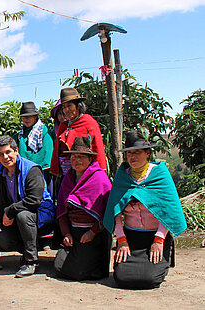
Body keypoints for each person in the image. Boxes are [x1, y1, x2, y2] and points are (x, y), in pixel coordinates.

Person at [104, 131, 187, 289]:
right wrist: (121, 239)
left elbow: (168, 210)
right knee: (121, 277)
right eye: (129, 153)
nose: (132, 157)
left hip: (155, 237)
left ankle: (163, 261)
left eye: (137, 152)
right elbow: (116, 211)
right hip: (130, 238)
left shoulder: (160, 175)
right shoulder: (123, 176)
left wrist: (159, 239)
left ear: (148, 153)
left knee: (150, 279)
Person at [0, 135, 55, 277]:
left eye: (8, 152)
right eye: (1, 154)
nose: (5, 157)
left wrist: (10, 211)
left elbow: (34, 200)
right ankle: (27, 250)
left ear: (16, 151)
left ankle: (31, 261)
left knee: (23, 215)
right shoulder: (1, 172)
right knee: (4, 240)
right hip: (19, 214)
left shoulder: (31, 169)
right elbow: (3, 200)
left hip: (41, 213)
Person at [53, 137, 112, 281]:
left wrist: (92, 232)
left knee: (82, 273)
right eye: (73, 156)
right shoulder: (68, 179)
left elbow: (107, 213)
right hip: (74, 234)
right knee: (58, 266)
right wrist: (66, 233)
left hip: (95, 234)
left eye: (81, 156)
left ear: (90, 159)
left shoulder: (100, 178)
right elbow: (62, 212)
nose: (76, 160)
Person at [50, 88, 107, 178]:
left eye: (69, 106)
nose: (66, 110)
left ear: (78, 106)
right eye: (64, 107)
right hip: (65, 174)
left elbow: (97, 148)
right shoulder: (63, 125)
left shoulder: (89, 123)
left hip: (85, 171)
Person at [15, 101, 55, 195]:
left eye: (29, 116)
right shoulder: (20, 135)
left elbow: (47, 153)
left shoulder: (44, 131)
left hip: (43, 172)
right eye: (24, 117)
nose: (26, 119)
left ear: (35, 117)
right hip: (25, 172)